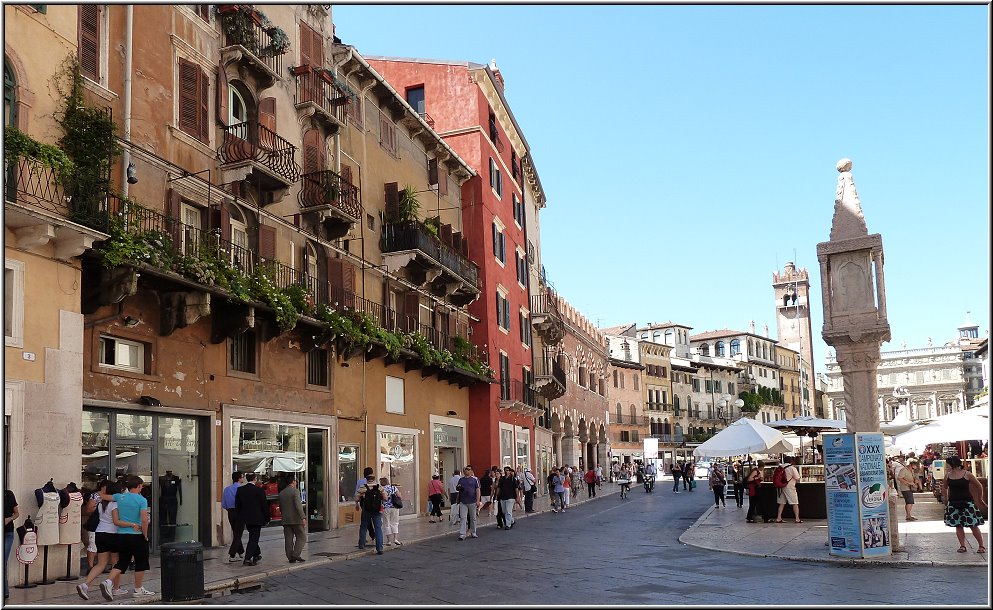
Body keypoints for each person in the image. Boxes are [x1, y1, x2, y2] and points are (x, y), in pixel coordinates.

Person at [103, 476, 153, 599]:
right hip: (136, 535)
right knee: (141, 562)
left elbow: (104, 496)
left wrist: (101, 491)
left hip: (121, 535)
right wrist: (145, 535)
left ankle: (108, 581)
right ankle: (138, 589)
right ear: (139, 486)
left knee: (123, 561)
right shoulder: (141, 500)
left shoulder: (120, 497)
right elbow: (144, 520)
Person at [76, 482, 127, 600]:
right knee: (116, 562)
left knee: (100, 563)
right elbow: (115, 521)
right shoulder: (115, 504)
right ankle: (115, 587)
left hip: (99, 533)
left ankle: (85, 585)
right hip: (112, 534)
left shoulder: (100, 504)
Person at [941, 455, 987, 554]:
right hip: (953, 502)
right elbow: (944, 487)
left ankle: (981, 546)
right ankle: (962, 545)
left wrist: (979, 499)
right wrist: (945, 498)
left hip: (967, 502)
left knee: (973, 525)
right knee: (958, 525)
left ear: (953, 464)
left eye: (948, 464)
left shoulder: (967, 474)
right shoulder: (948, 475)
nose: (947, 466)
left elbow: (979, 486)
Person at [235, 473, 269, 566]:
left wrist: (240, 517)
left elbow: (237, 505)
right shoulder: (259, 490)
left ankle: (257, 554)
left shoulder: (240, 490)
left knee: (253, 536)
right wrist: (267, 518)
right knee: (254, 537)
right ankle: (247, 558)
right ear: (255, 479)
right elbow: (264, 505)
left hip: (246, 518)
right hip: (257, 518)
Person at [355, 473, 387, 554]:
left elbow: (357, 498)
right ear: (374, 479)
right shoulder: (379, 487)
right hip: (377, 510)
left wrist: (361, 499)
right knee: (378, 528)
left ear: (366, 479)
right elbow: (385, 498)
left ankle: (361, 544)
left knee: (363, 526)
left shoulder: (362, 487)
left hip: (366, 509)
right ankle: (379, 548)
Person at [278, 477, 306, 562]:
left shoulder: (281, 493)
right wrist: (303, 517)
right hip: (296, 519)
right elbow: (298, 506)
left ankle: (290, 557)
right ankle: (295, 554)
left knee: (288, 539)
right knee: (301, 536)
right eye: (295, 481)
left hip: (286, 520)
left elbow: (281, 508)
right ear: (293, 482)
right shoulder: (295, 491)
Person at [221, 471, 246, 563]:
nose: (243, 478)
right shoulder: (241, 489)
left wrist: (229, 510)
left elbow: (224, 504)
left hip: (230, 512)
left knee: (236, 532)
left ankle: (241, 551)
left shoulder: (227, 489)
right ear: (239, 478)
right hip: (239, 512)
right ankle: (232, 554)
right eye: (242, 477)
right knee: (238, 533)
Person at [455, 466, 481, 540]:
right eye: (465, 469)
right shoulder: (461, 479)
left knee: (473, 518)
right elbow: (458, 488)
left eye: (468, 469)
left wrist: (478, 500)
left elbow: (478, 490)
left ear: (471, 471)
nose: (466, 471)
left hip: (472, 501)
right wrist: (459, 487)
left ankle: (473, 532)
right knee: (463, 518)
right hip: (463, 501)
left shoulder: (475, 479)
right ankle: (462, 534)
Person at [775, 456, 802, 523]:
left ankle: (778, 518)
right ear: (791, 461)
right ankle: (797, 519)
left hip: (781, 487)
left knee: (782, 503)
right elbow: (797, 478)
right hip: (790, 487)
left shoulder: (780, 467)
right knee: (795, 503)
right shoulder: (792, 468)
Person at [355, 467, 377, 544]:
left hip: (363, 502)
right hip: (374, 502)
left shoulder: (360, 481)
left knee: (365, 520)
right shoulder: (375, 481)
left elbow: (356, 494)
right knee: (374, 520)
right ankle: (373, 535)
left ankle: (364, 539)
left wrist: (356, 504)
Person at [4, 489, 18, 600]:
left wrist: (9, 519)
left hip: (8, 533)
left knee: (3, 560)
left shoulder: (9, 494)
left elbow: (17, 513)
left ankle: (4, 591)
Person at [381, 477, 402, 547]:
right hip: (395, 507)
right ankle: (395, 539)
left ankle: (389, 541)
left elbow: (383, 498)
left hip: (386, 508)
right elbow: (399, 496)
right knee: (395, 523)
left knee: (387, 524)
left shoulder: (381, 489)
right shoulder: (393, 488)